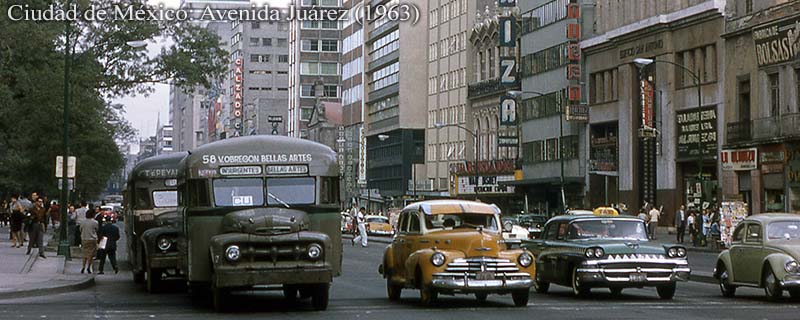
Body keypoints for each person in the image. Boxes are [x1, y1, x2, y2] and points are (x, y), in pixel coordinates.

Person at [79, 209, 99, 274]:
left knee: (84, 253)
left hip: (84, 238)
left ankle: (83, 266)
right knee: (91, 254)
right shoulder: (95, 222)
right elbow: (97, 229)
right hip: (92, 239)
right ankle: (88, 267)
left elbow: (80, 229)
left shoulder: (82, 222)